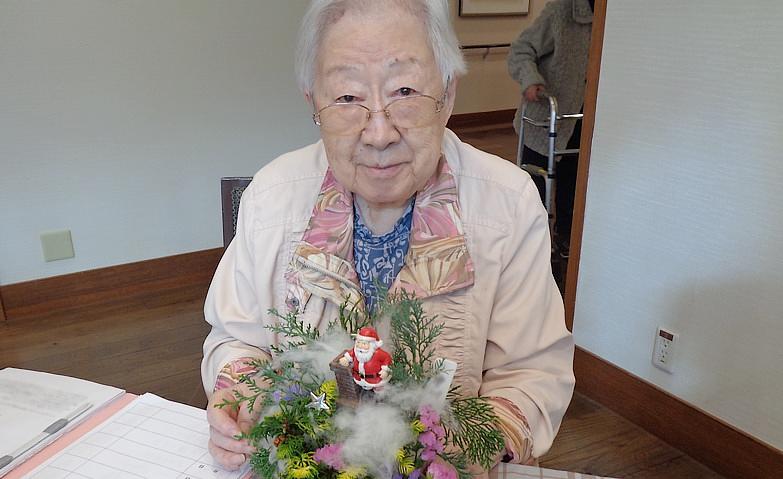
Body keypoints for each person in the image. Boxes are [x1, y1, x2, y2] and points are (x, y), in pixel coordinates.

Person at [202, 0, 574, 473]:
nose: (379, 133)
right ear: (313, 103)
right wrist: (238, 391)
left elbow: (532, 373)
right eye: (347, 97)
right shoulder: (272, 197)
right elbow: (237, 338)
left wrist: (471, 448)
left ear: (447, 94)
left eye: (405, 91)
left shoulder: (508, 204)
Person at [507, 0, 594, 258]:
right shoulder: (562, 10)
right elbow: (521, 50)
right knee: (534, 190)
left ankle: (566, 240)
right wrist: (530, 79)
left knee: (573, 186)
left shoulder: (615, 18)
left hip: (583, 120)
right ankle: (529, 248)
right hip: (545, 120)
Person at [339, 326, 392, 390]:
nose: (360, 346)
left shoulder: (378, 353)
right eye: (358, 342)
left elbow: (387, 358)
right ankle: (365, 387)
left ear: (372, 344)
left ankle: (378, 390)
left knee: (378, 389)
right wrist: (345, 359)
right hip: (359, 378)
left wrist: (385, 370)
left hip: (374, 379)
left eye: (364, 344)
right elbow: (350, 354)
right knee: (364, 388)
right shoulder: (356, 351)